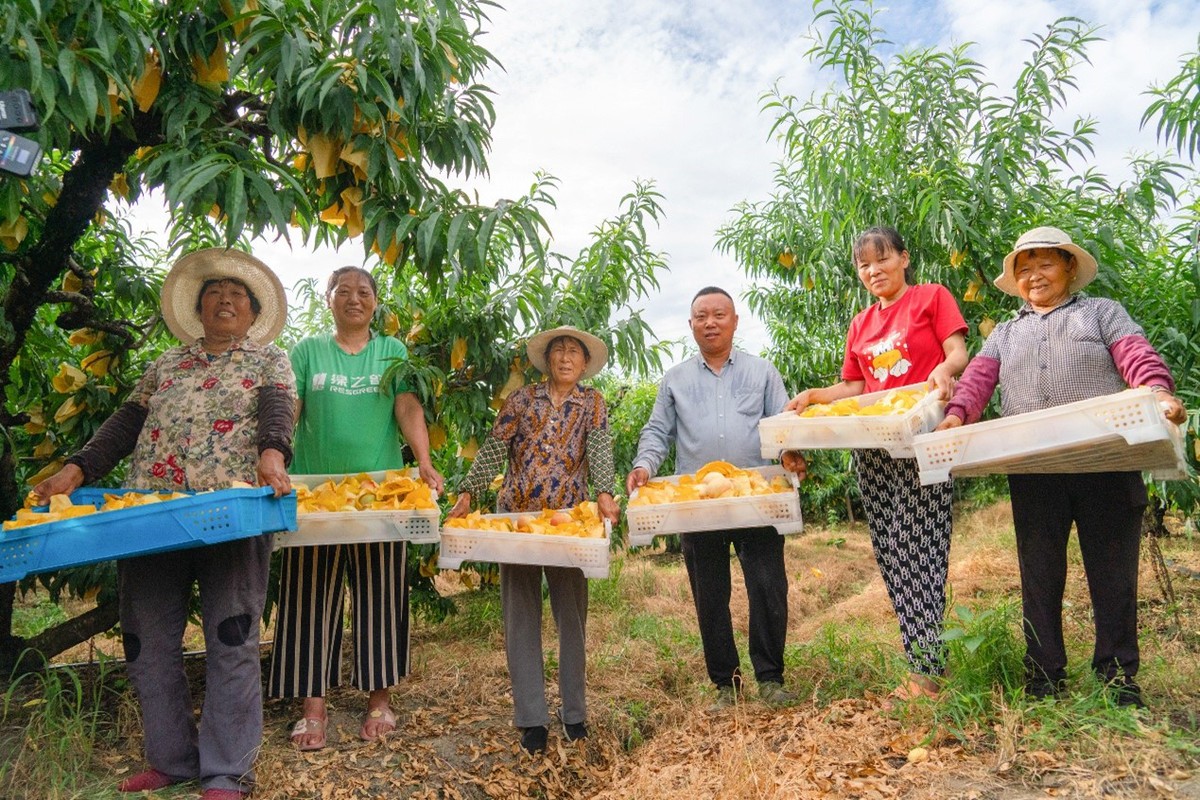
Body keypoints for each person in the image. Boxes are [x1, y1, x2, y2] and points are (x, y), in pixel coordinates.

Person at [33, 249, 295, 800]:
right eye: (214, 293)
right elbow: (126, 423)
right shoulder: (166, 364)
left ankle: (226, 772)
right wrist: (77, 469)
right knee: (146, 640)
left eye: (237, 295)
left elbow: (278, 410)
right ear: (198, 308)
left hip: (232, 512)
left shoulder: (269, 360)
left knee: (231, 635)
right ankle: (171, 759)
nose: (226, 300)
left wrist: (273, 454)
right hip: (152, 514)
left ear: (252, 313)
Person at [936, 226, 1186, 708]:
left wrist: (1157, 392)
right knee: (1040, 575)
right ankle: (1044, 677)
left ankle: (1118, 680)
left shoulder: (1102, 314)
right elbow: (977, 382)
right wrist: (954, 418)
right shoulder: (1006, 333)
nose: (1034, 276)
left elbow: (1137, 356)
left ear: (1070, 268)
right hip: (1035, 472)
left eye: (1045, 264)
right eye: (1024, 269)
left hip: (1106, 463)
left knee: (1113, 573)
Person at [785, 226, 968, 704]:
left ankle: (926, 669)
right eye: (864, 265)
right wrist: (815, 396)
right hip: (874, 447)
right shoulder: (861, 323)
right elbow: (857, 388)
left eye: (881, 259)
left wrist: (944, 372)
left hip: (922, 439)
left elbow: (957, 352)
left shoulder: (931, 297)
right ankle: (923, 658)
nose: (873, 271)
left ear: (903, 259)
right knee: (891, 553)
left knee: (922, 549)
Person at [267, 266, 445, 750]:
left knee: (381, 597)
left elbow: (407, 406)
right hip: (315, 496)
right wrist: (276, 457)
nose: (354, 298)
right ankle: (312, 707)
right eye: (342, 291)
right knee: (307, 597)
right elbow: (292, 408)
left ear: (375, 303)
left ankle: (379, 700)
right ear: (327, 299)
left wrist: (424, 462)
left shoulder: (392, 351)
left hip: (382, 493)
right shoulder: (306, 352)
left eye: (364, 292)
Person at [626, 287, 805, 711]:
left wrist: (788, 452)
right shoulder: (675, 380)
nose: (711, 322)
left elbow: (781, 425)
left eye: (719, 314)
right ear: (690, 326)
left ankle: (770, 677)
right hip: (697, 502)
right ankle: (726, 684)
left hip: (755, 495)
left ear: (735, 321)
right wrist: (644, 466)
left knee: (767, 585)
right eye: (702, 316)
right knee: (709, 593)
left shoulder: (762, 372)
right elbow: (657, 433)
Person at [447, 325, 620, 754]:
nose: (564, 358)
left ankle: (575, 714)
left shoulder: (593, 403)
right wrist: (469, 491)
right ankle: (531, 719)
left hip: (569, 523)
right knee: (521, 616)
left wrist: (604, 494)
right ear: (547, 360)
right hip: (518, 522)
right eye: (558, 351)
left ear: (584, 364)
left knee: (571, 618)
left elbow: (599, 452)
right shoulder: (522, 399)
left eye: (573, 353)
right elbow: (494, 446)